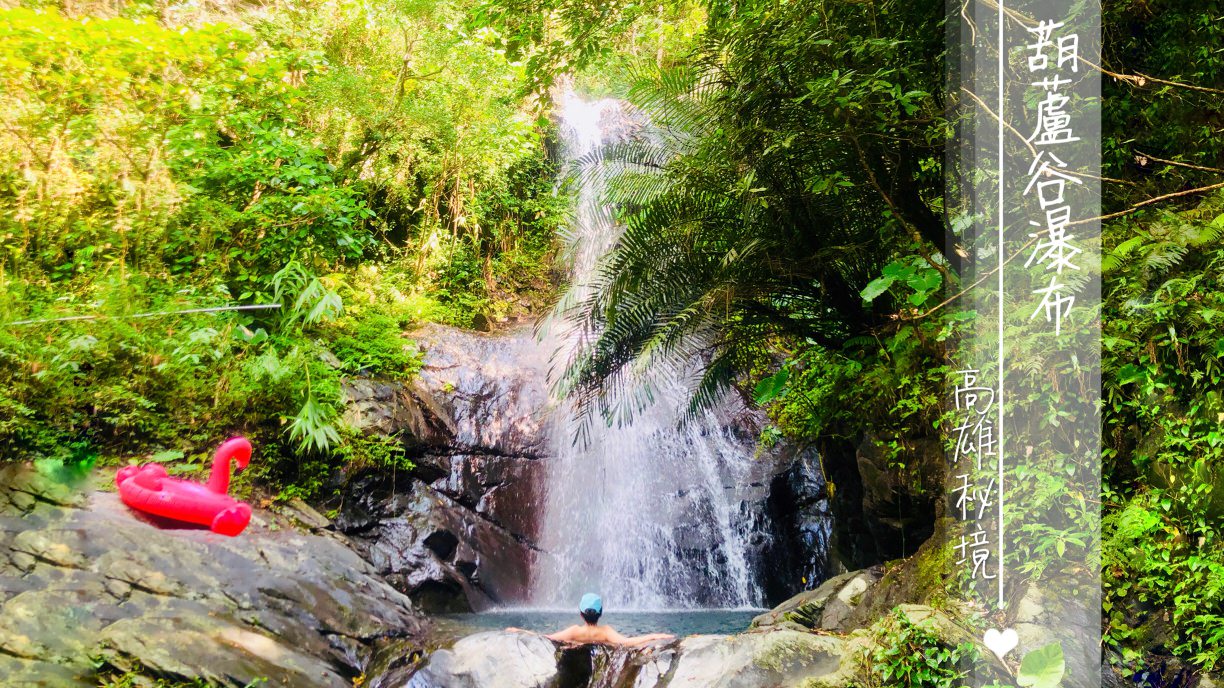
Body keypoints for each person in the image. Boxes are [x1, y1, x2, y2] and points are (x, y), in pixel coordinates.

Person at [507, 593, 674, 647]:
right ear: (601, 613)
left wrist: (519, 631)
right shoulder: (605, 632)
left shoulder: (574, 631)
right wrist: (653, 635)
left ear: (581, 614)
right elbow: (628, 642)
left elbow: (547, 638)